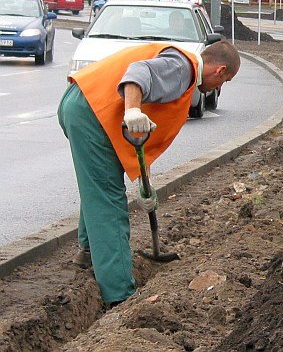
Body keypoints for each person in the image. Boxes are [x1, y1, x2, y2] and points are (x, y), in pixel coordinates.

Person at [57, 41, 241, 307]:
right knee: (108, 200)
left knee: (97, 186)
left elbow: (143, 136)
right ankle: (119, 295)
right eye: (226, 81)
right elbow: (137, 74)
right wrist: (132, 110)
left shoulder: (185, 76)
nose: (220, 88)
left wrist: (146, 182)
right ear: (220, 71)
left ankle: (87, 253)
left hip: (86, 106)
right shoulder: (182, 69)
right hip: (91, 113)